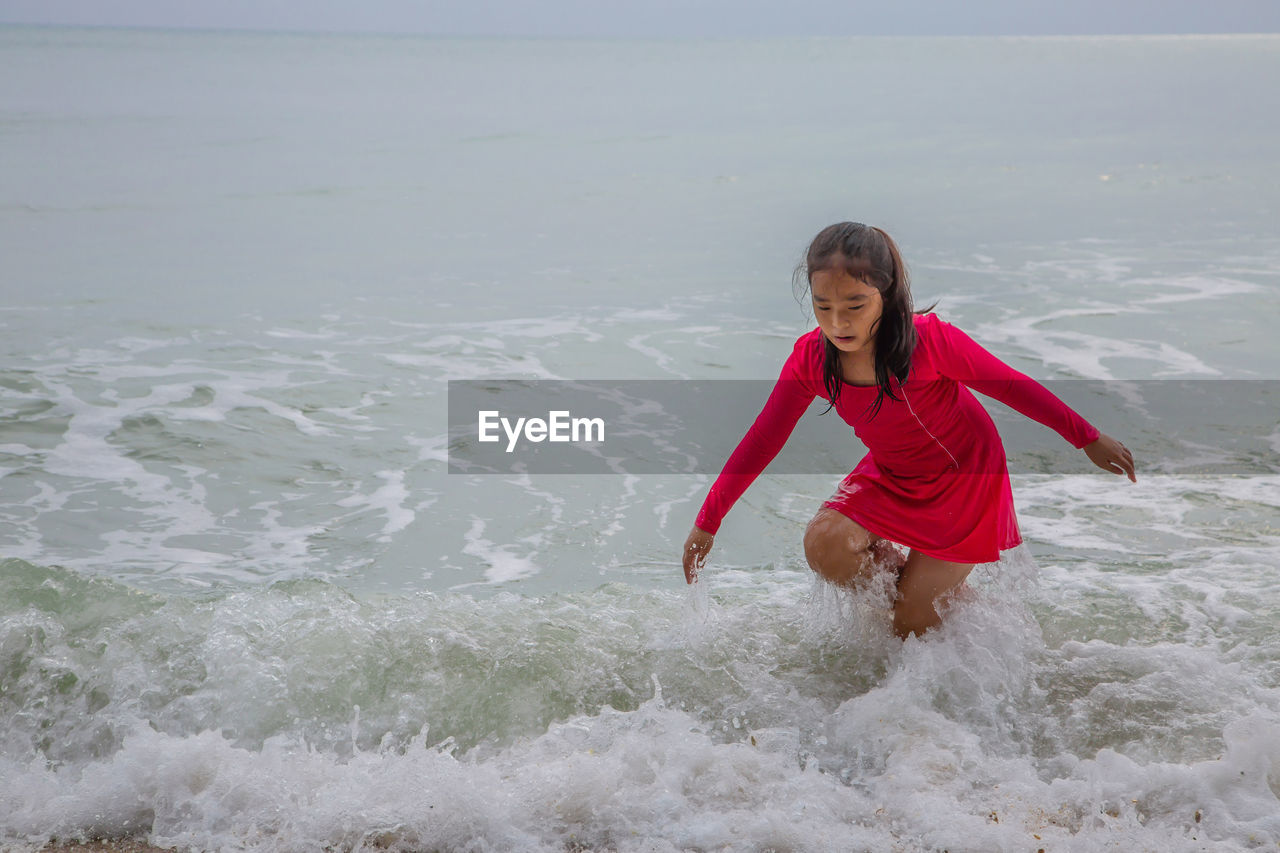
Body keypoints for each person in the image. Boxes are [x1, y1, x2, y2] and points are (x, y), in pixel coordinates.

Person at [680, 222, 1136, 639]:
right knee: (826, 546)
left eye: (855, 306)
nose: (838, 322)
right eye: (823, 306)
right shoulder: (811, 361)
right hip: (895, 472)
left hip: (966, 479)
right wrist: (707, 522)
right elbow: (764, 439)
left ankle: (958, 624)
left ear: (886, 291)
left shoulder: (931, 343)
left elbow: (1012, 387)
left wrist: (1087, 437)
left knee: (910, 627)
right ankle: (951, 606)